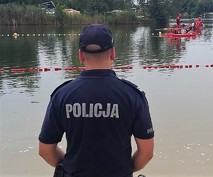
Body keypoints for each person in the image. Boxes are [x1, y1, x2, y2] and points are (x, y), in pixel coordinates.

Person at [38, 24, 155, 177]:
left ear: (80, 55)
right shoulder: (132, 95)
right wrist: (124, 169)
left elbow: (45, 150)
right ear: (113, 53)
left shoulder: (62, 95)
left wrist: (67, 166)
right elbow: (146, 153)